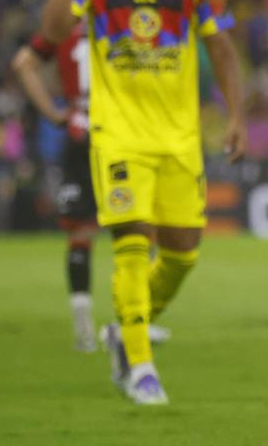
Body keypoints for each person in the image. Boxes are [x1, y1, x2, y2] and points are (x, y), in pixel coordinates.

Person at [38, 0, 246, 405]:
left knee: (182, 255)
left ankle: (125, 330)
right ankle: (141, 367)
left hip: (179, 139)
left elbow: (222, 49)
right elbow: (56, 29)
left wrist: (237, 115)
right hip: (118, 136)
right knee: (132, 244)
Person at [11, 27, 174, 353]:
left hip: (78, 133)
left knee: (80, 234)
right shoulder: (117, 24)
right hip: (117, 132)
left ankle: (83, 329)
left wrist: (55, 111)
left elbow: (23, 64)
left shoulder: (63, 30)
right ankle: (138, 320)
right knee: (136, 227)